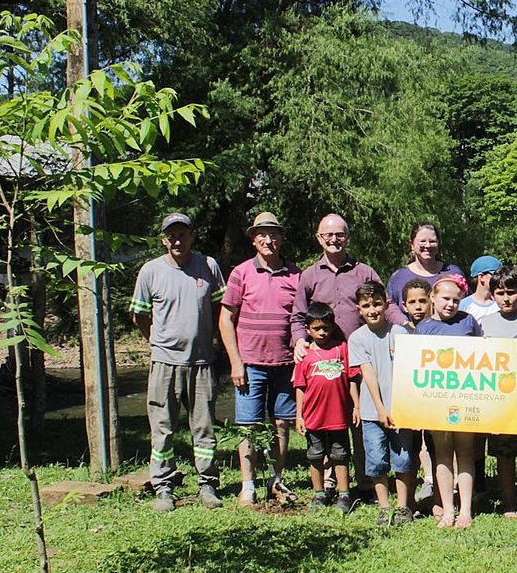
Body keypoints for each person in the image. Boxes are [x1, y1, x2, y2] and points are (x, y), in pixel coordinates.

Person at [131, 213, 226, 512]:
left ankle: (207, 484)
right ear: (163, 239)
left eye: (182, 234)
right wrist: (159, 342)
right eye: (171, 235)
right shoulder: (150, 271)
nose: (177, 240)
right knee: (163, 427)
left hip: (201, 363)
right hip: (164, 363)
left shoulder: (208, 266)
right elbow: (140, 315)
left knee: (204, 427)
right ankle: (163, 486)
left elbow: (221, 309)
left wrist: (213, 343)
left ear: (192, 236)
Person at [219, 211, 303, 508]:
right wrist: (235, 361)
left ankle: (276, 479)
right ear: (254, 239)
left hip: (284, 363)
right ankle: (248, 485)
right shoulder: (240, 273)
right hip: (250, 364)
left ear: (281, 238)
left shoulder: (295, 274)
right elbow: (226, 319)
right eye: (262, 234)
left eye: (274, 234)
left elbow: (300, 319)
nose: (269, 239)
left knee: (281, 423)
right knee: (249, 426)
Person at [348, 281, 418, 527]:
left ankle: (403, 506)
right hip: (371, 412)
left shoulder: (400, 333)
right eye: (366, 306)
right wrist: (379, 408)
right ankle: (384, 506)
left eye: (377, 304)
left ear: (386, 304)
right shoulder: (356, 338)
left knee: (403, 460)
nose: (372, 310)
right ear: (359, 308)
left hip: (401, 411)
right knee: (377, 461)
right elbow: (367, 374)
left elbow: (410, 370)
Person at [415, 273, 481, 528]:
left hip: (465, 399)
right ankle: (447, 510)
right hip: (435, 401)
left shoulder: (469, 322)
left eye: (456, 299)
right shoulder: (423, 328)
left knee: (464, 452)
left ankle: (465, 510)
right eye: (445, 298)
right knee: (441, 454)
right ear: (432, 297)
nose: (450, 304)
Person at [291, 213, 393, 355]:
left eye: (339, 234)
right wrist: (300, 341)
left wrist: (404, 326)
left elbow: (386, 305)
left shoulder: (365, 273)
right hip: (324, 356)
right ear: (319, 238)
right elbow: (298, 316)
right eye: (328, 235)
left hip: (363, 350)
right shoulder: (309, 276)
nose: (334, 239)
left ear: (347, 236)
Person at [291, 302, 357, 515]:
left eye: (326, 327)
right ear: (308, 329)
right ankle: (319, 492)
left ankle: (344, 494)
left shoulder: (341, 349)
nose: (322, 332)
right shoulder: (305, 355)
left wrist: (356, 405)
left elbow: (352, 379)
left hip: (338, 415)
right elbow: (300, 387)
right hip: (313, 417)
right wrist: (299, 415)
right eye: (317, 328)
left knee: (340, 455)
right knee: (315, 455)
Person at [479, 265, 517, 517]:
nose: (506, 297)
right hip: (499, 400)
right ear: (492, 295)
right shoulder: (485, 324)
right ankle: (509, 502)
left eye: (511, 292)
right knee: (505, 453)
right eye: (500, 292)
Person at [387, 222, 464, 325]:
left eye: (432, 241)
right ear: (412, 244)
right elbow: (389, 306)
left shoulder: (453, 273)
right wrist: (404, 323)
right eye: (422, 241)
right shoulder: (399, 277)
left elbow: (466, 304)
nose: (427, 245)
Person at [459, 255, 503, 321]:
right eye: (495, 275)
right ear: (481, 277)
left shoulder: (501, 303)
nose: (499, 278)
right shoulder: (463, 306)